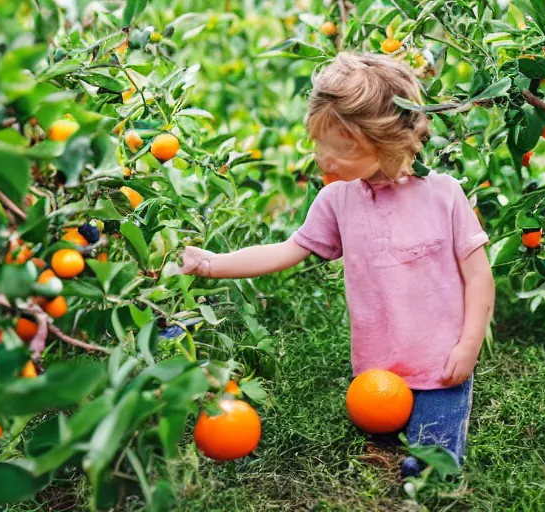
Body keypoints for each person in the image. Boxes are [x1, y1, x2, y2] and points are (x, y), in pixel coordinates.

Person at [177, 53, 495, 476]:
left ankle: (430, 473)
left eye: (336, 150)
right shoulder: (338, 199)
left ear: (382, 144)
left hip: (440, 363)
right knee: (376, 432)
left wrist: (469, 344)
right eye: (318, 145)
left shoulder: (444, 195)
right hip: (375, 368)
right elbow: (287, 249)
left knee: (434, 456)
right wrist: (213, 264)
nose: (322, 159)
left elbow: (479, 277)